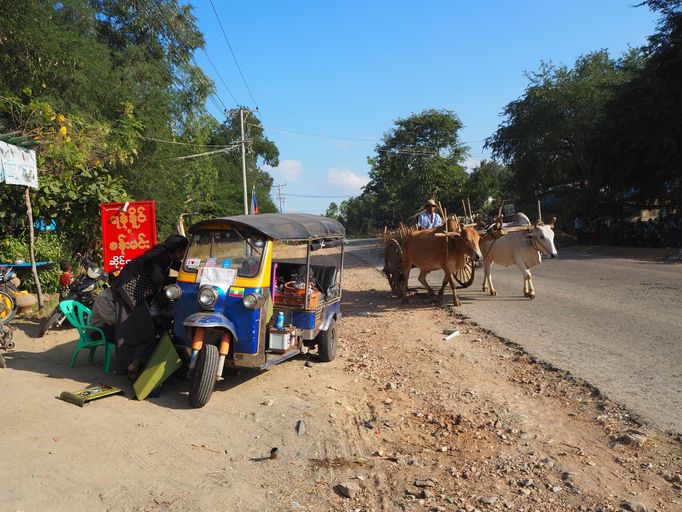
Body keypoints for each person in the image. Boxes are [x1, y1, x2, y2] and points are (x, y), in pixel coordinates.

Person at [112, 234, 189, 379]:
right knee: (130, 330)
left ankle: (133, 364)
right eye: (184, 252)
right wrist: (177, 280)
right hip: (126, 292)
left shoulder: (164, 255)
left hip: (134, 295)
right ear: (177, 250)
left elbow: (180, 268)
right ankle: (127, 366)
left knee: (142, 330)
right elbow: (157, 278)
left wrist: (191, 272)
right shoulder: (161, 256)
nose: (183, 256)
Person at [89, 273, 117, 342]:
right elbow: (112, 320)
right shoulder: (103, 297)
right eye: (116, 281)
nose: (119, 284)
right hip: (98, 330)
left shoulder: (120, 293)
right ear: (109, 283)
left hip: (110, 326)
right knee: (126, 333)